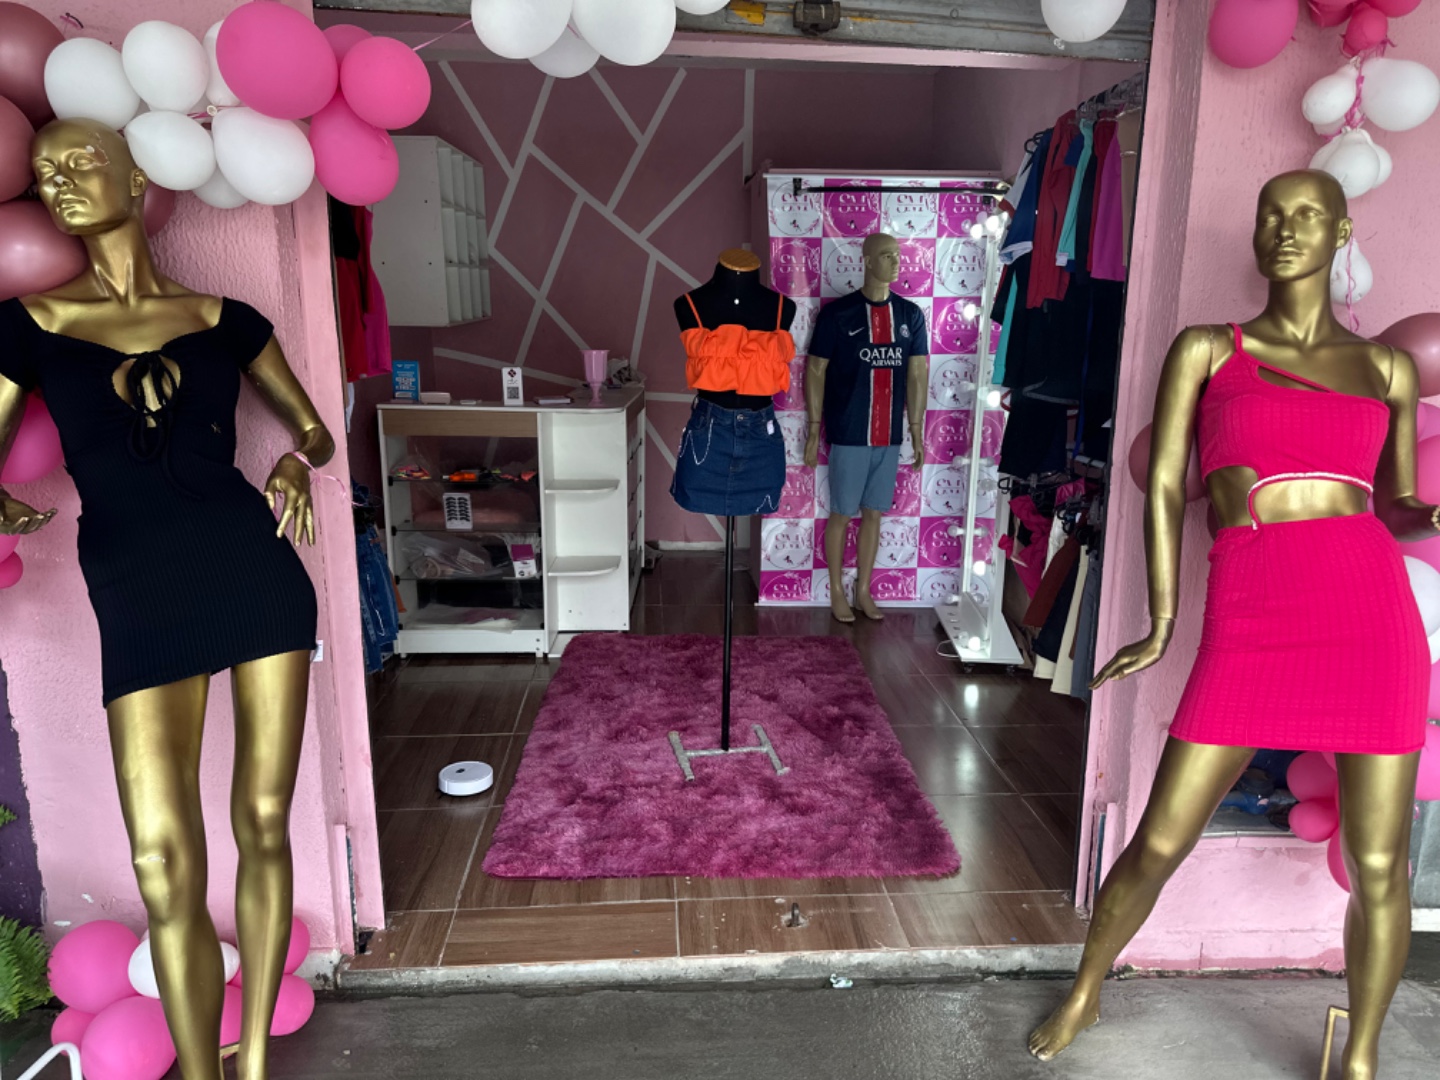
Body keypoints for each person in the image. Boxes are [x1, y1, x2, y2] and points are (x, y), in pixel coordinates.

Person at [1028, 170, 1430, 1080]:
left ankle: (1362, 1057)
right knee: (1161, 838)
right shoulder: (1210, 349)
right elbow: (1164, 486)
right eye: (1270, 215)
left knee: (1380, 863)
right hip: (1253, 607)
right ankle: (1088, 985)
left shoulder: (1387, 368)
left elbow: (1398, 502)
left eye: (1307, 215)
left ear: (1341, 233)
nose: (1285, 229)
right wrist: (1163, 618)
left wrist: (1429, 514)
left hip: (1369, 613)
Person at [0, 118, 332, 1080]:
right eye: (44, 172)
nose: (60, 183)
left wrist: (298, 464)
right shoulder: (27, 326)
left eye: (81, 163)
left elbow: (313, 430)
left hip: (253, 570)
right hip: (135, 587)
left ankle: (251, 1059)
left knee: (261, 821)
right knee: (161, 859)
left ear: (137, 179)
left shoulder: (226, 319)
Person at [804, 232, 929, 623]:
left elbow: (918, 373)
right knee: (842, 513)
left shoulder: (910, 315)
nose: (895, 261)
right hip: (850, 431)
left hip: (889, 435)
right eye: (886, 255)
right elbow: (815, 369)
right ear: (867, 260)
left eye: (897, 255)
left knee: (874, 513)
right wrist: (813, 428)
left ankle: (864, 590)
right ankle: (836, 590)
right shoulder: (839, 314)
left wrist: (916, 429)